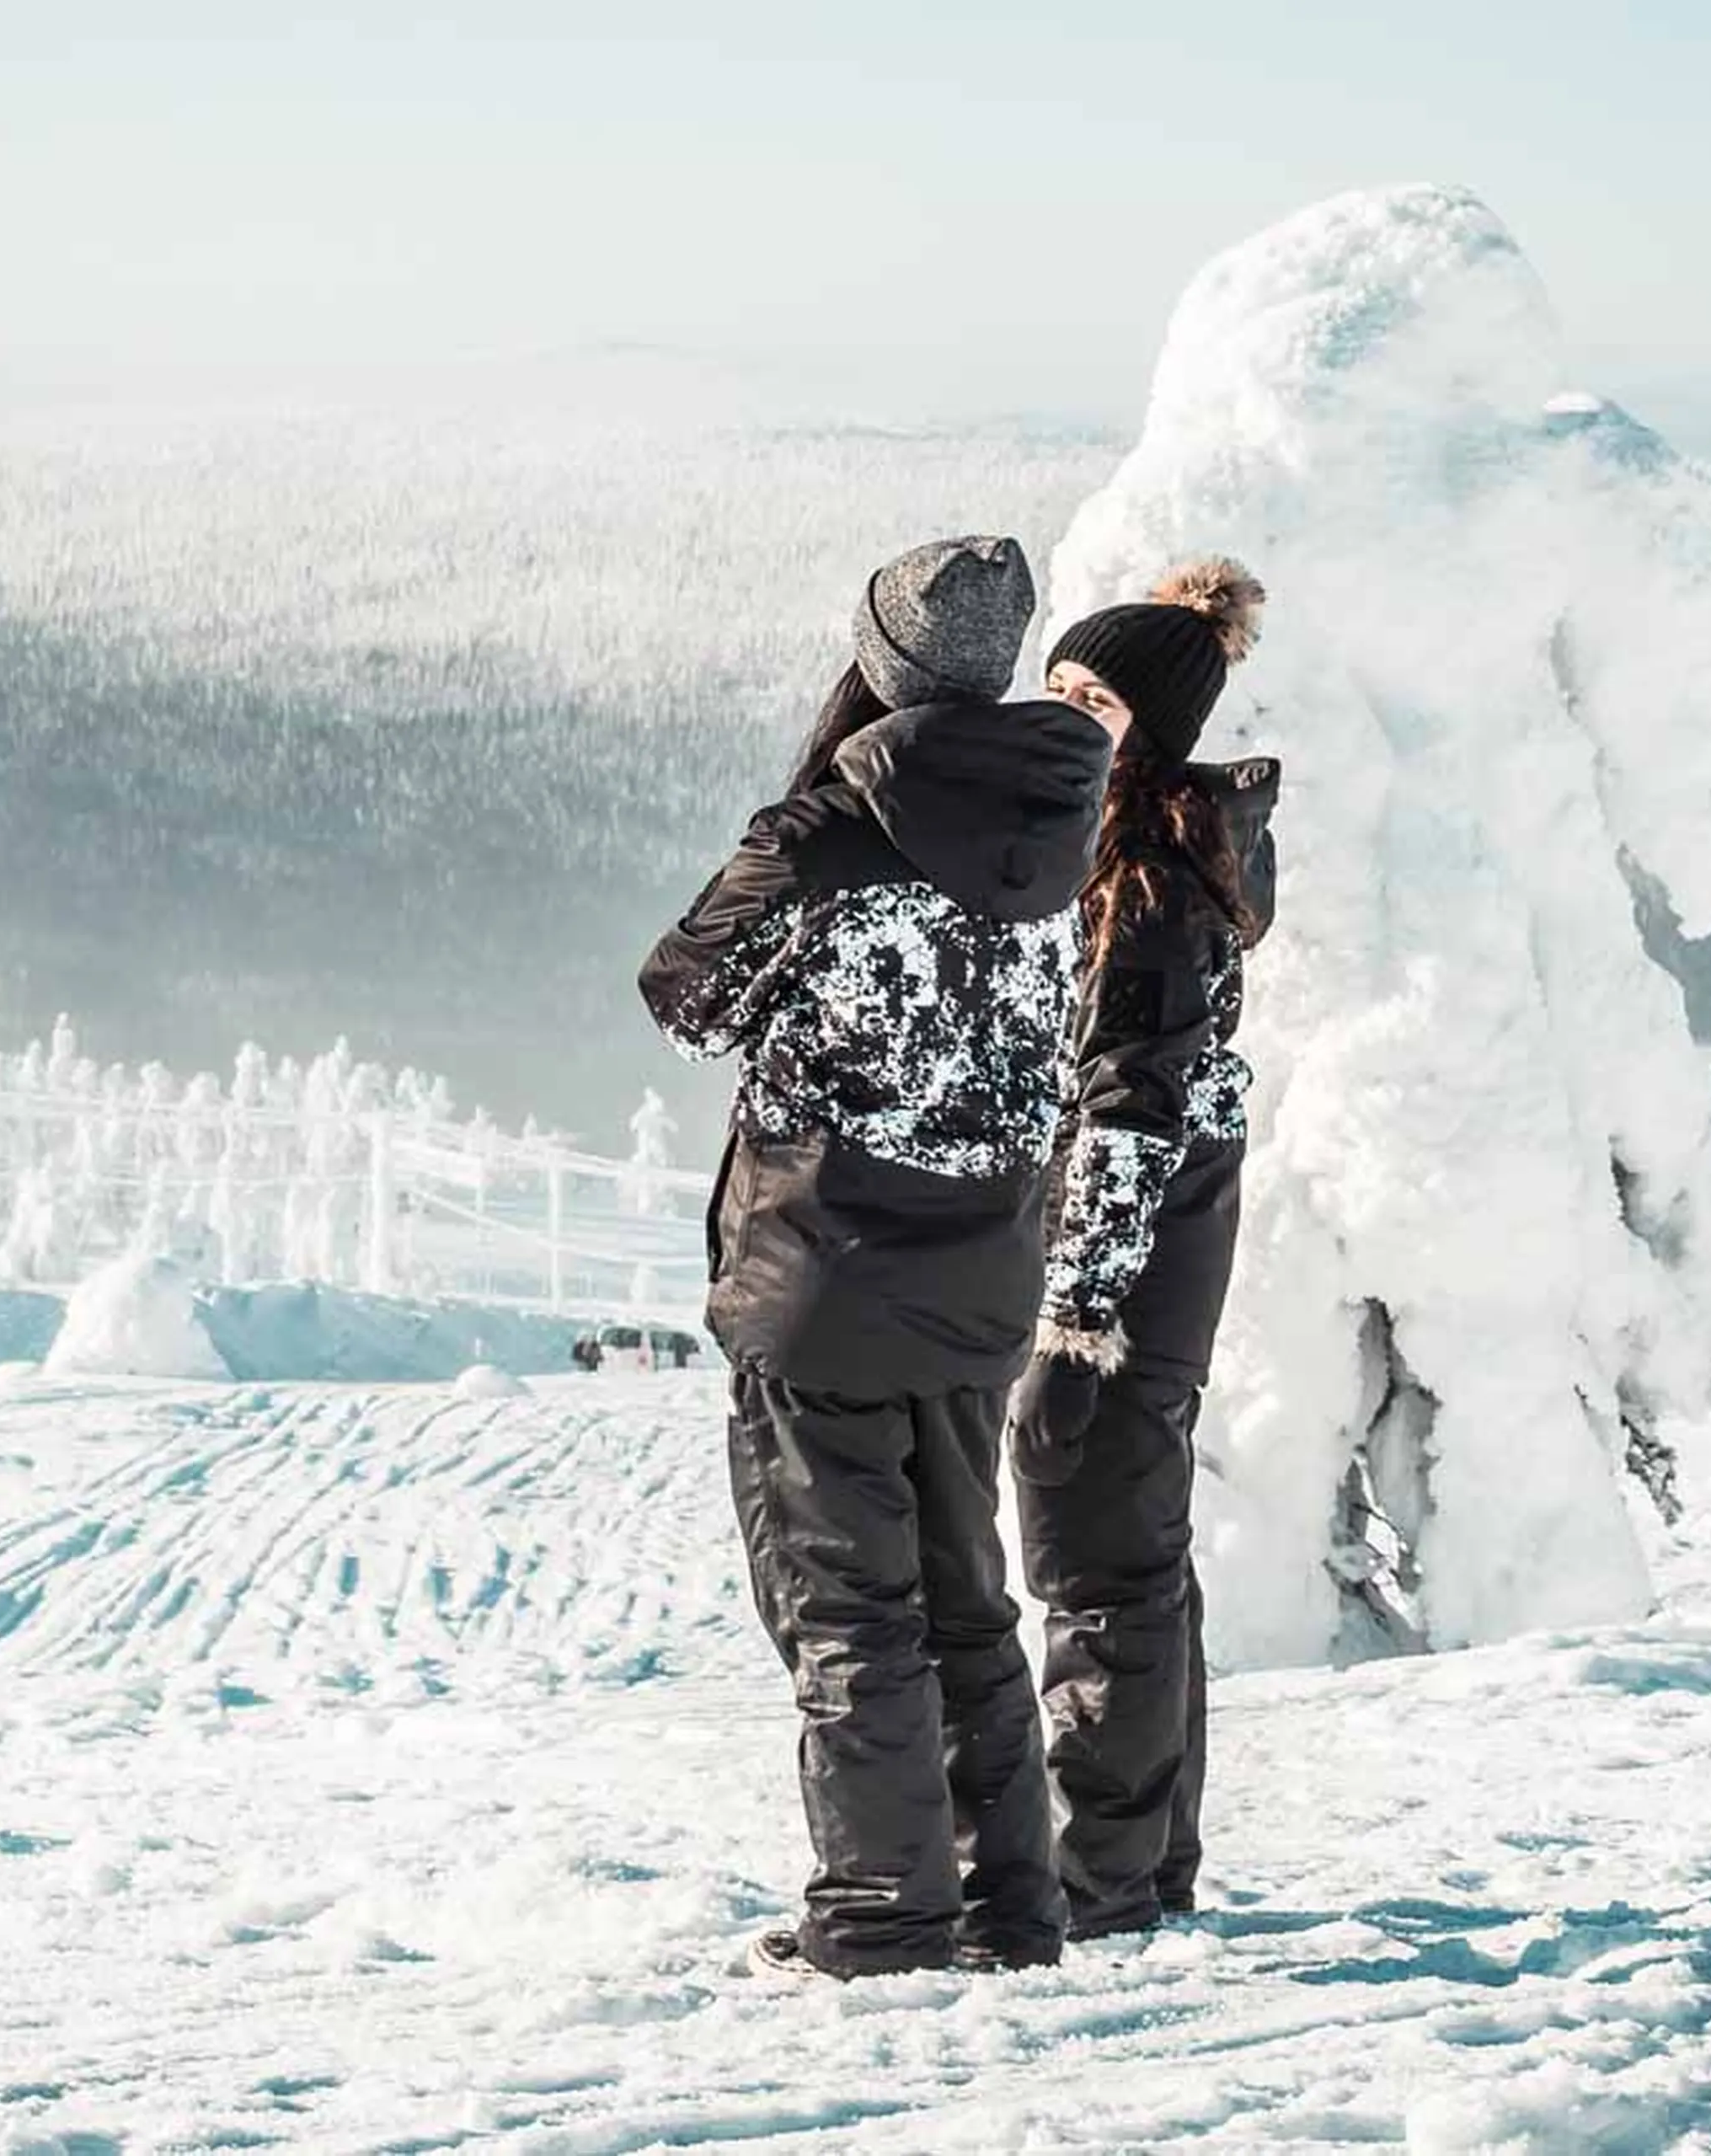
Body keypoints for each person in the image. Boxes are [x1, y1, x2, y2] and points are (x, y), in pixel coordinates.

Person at [639, 535, 1109, 1980]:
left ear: (880, 664)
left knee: (847, 1606)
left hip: (821, 1271)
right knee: (968, 1595)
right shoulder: (1059, 826)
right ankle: (1008, 1899)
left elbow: (685, 996)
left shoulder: (828, 836)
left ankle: (883, 1912)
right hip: (983, 1275)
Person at [1008, 558, 1278, 1943]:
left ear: (1153, 733)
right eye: (1058, 685)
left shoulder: (1151, 879)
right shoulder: (1124, 844)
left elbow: (1128, 1116)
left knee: (1099, 1555)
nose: (1069, 713)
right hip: (1165, 1230)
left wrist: (1074, 1325)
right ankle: (1150, 1860)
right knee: (1140, 1553)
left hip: (1140, 1244)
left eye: (1099, 700)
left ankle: (1098, 1881)